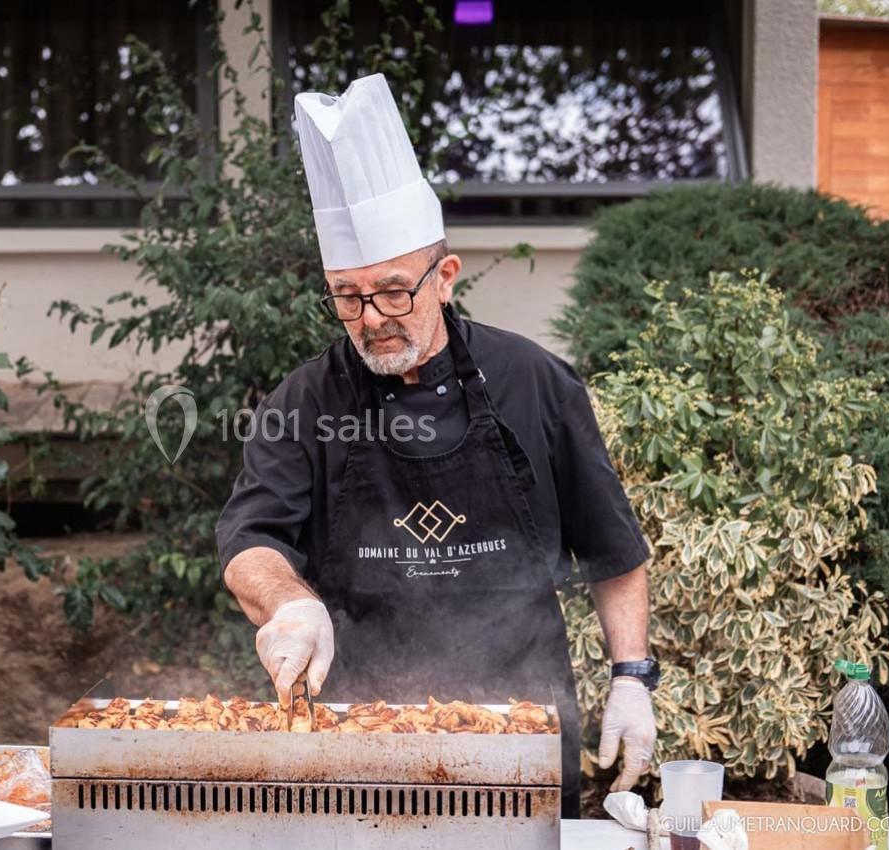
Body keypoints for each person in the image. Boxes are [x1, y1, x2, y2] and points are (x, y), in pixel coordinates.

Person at [215, 73, 657, 818]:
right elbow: (250, 542)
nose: (371, 317)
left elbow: (614, 551)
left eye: (393, 291)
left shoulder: (537, 383)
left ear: (445, 276)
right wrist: (289, 605)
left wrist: (631, 678)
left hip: (524, 736)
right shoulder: (304, 401)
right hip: (358, 742)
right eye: (347, 296)